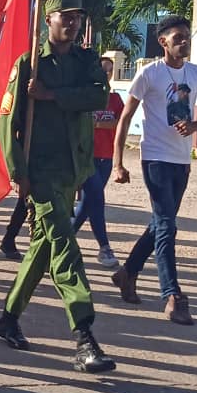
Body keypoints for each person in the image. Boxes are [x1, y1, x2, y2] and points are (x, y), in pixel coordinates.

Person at [0, 0, 116, 374]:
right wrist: (18, 172)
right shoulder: (29, 63)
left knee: (43, 248)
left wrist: (52, 95)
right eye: (66, 16)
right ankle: (84, 335)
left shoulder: (85, 61)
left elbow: (99, 95)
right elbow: (6, 122)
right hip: (41, 171)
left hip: (73, 169)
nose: (73, 22)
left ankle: (9, 318)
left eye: (77, 17)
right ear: (48, 19)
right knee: (64, 247)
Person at [111, 14, 197, 326]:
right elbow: (126, 117)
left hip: (181, 161)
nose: (183, 41)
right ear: (163, 42)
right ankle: (172, 295)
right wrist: (118, 163)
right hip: (155, 158)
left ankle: (127, 272)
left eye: (186, 36)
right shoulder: (150, 74)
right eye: (177, 37)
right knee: (168, 225)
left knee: (161, 222)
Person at [72, 56, 124, 269]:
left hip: (107, 157)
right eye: (103, 70)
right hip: (88, 157)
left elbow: (119, 124)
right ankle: (104, 247)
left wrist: (98, 123)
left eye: (110, 70)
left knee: (88, 203)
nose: (107, 74)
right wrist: (104, 123)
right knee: (97, 199)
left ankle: (63, 239)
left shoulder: (115, 99)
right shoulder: (87, 97)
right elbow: (83, 123)